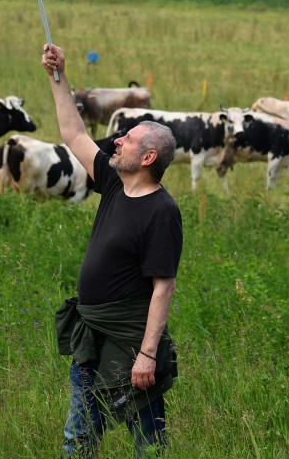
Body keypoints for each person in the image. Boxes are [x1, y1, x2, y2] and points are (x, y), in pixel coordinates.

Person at [42, 43, 183, 457]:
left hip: (130, 339)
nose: (117, 141)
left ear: (149, 157)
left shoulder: (162, 212)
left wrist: (147, 355)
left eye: (128, 139)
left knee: (148, 442)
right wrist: (59, 75)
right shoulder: (113, 182)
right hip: (92, 334)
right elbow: (74, 133)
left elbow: (163, 288)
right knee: (79, 437)